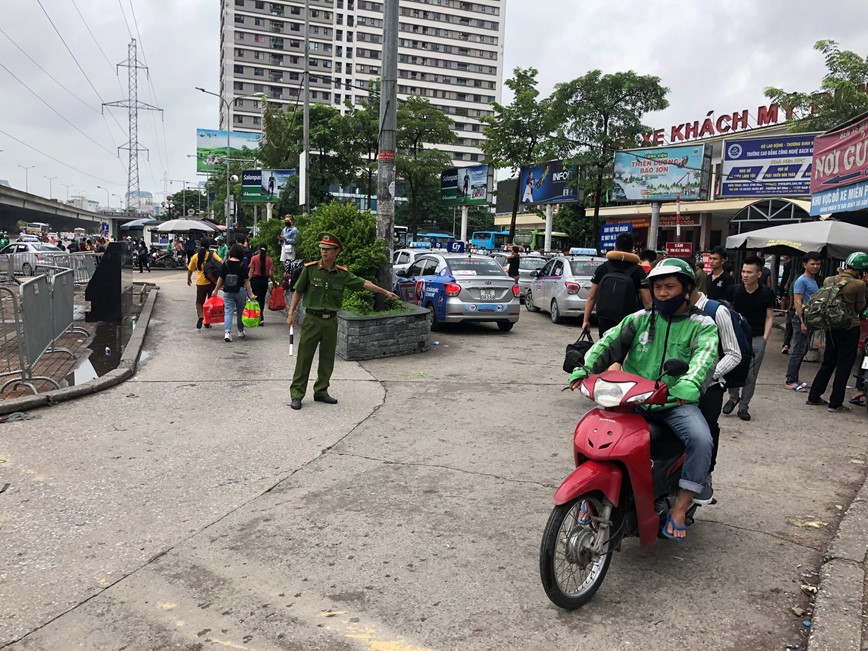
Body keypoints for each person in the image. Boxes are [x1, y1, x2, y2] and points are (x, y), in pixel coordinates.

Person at [569, 258, 718, 539]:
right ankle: (591, 491)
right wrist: (585, 368)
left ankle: (681, 507)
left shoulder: (702, 324)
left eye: (669, 287)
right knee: (587, 427)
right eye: (658, 287)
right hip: (633, 400)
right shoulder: (639, 319)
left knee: (701, 439)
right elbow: (607, 343)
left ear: (685, 288)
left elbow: (705, 357)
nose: (662, 293)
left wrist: (689, 384)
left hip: (675, 403)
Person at [286, 232, 399, 410]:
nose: (324, 252)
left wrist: (384, 292)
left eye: (328, 249)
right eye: (322, 249)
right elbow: (298, 291)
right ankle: (297, 394)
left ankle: (321, 391)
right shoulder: (310, 269)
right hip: (312, 319)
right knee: (304, 358)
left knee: (327, 358)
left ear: (336, 251)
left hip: (330, 321)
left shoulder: (342, 274)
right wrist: (291, 313)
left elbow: (363, 283)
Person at [691, 285, 742, 496]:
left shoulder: (716, 311)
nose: (664, 292)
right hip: (673, 385)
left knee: (707, 431)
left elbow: (733, 353)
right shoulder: (668, 311)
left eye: (670, 285)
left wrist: (707, 374)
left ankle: (705, 476)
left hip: (709, 386)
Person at [806, 252, 868, 413]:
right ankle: (835, 403)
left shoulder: (829, 279)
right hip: (849, 328)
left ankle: (814, 396)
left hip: (831, 327)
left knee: (828, 362)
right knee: (843, 366)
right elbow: (859, 308)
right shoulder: (859, 285)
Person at [722, 256, 776, 421]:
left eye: (749, 272)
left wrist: (765, 339)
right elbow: (726, 312)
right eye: (743, 271)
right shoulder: (734, 290)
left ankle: (744, 406)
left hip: (757, 337)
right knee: (733, 368)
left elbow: (769, 317)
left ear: (759, 274)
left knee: (751, 374)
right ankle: (733, 398)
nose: (745, 275)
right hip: (736, 337)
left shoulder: (767, 293)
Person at [581, 232, 650, 337]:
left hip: (605, 318)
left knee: (605, 348)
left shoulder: (603, 268)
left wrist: (585, 321)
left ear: (615, 246)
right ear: (632, 249)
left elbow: (591, 297)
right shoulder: (639, 272)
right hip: (628, 320)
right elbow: (648, 302)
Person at [784, 252, 822, 390]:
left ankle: (794, 378)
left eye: (817, 264)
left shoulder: (813, 280)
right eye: (812, 264)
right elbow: (797, 302)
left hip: (809, 320)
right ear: (805, 265)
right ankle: (790, 380)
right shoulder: (801, 281)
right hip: (801, 319)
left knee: (803, 349)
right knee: (799, 350)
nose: (815, 266)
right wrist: (803, 321)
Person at [212, 244, 255, 342]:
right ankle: (240, 331)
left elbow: (220, 278)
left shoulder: (225, 264)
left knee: (228, 311)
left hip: (228, 291)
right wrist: (250, 294)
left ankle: (227, 333)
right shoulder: (243, 265)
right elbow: (246, 281)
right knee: (240, 312)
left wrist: (215, 290)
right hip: (240, 291)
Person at [186, 237, 222, 330]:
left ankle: (200, 316)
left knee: (199, 302)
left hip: (201, 282)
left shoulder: (195, 256)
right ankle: (207, 321)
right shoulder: (212, 254)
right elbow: (221, 262)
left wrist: (189, 279)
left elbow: (190, 269)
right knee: (209, 302)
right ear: (209, 245)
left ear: (200, 245)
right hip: (211, 281)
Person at [248, 243, 276, 322]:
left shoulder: (254, 258)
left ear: (258, 249)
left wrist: (247, 280)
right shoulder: (269, 260)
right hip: (264, 280)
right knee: (262, 299)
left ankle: (257, 317)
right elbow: (270, 274)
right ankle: (261, 317)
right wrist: (274, 283)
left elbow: (251, 271)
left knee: (256, 299)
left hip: (255, 281)